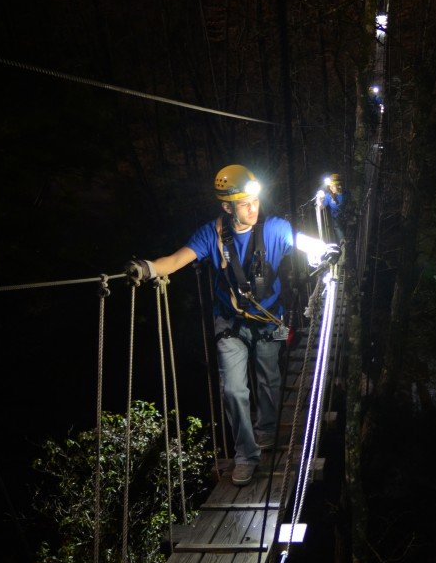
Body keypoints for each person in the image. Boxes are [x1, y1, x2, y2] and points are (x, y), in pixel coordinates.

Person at [126, 164, 299, 486]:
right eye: (245, 203)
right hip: (230, 323)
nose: (253, 208)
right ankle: (246, 455)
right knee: (234, 390)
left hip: (269, 320)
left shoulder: (275, 229)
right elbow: (176, 260)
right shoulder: (212, 235)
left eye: (255, 201)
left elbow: (303, 243)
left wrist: (324, 252)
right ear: (227, 206)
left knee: (269, 380)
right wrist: (148, 268)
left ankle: (266, 431)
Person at [319, 173, 345, 242]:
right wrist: (319, 200)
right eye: (331, 186)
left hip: (346, 220)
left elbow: (345, 207)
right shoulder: (328, 196)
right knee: (341, 238)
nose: (331, 187)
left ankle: (345, 246)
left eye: (333, 186)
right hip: (336, 221)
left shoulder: (345, 195)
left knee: (345, 238)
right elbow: (321, 207)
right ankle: (343, 245)